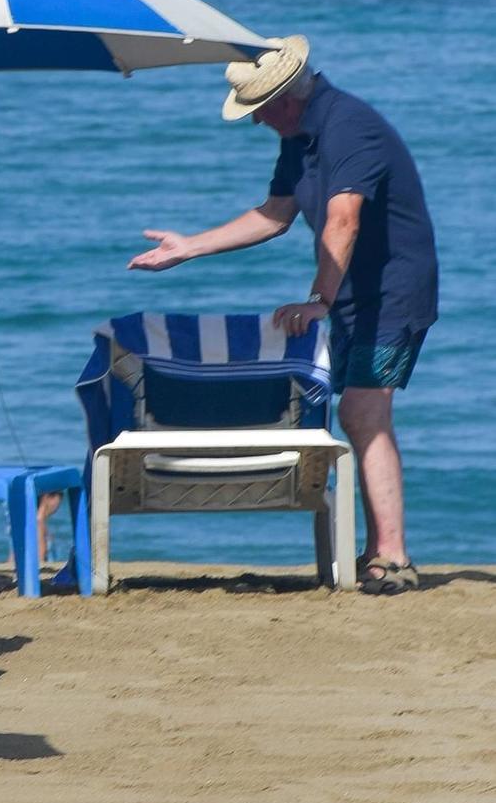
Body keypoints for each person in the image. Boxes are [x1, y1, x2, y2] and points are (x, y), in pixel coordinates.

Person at [127, 36, 437, 595]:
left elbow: (344, 221)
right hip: (351, 292)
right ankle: (378, 550)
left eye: (259, 112)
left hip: (390, 291)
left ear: (285, 99)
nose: (257, 123)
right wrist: (189, 247)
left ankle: (392, 556)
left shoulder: (348, 127)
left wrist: (317, 299)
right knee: (361, 415)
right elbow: (275, 215)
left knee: (366, 412)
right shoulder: (301, 135)